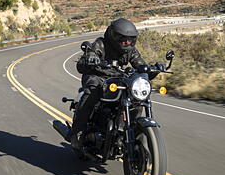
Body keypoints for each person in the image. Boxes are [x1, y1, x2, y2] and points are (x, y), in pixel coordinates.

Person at [70, 18, 164, 150]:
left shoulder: (131, 50)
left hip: (118, 78)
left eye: (131, 40)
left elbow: (140, 65)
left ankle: (130, 133)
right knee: (92, 92)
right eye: (124, 39)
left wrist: (153, 69)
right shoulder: (101, 44)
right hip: (98, 76)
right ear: (114, 37)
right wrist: (91, 57)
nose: (128, 43)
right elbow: (91, 53)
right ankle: (77, 134)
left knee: (135, 99)